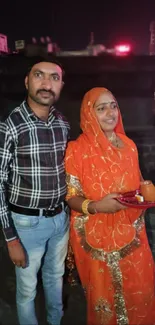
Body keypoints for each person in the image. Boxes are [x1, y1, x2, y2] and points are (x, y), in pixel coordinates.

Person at [65, 87, 155, 325]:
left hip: (131, 231)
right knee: (104, 302)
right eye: (101, 107)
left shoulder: (129, 145)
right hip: (94, 231)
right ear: (88, 113)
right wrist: (97, 206)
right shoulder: (77, 149)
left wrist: (146, 189)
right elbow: (71, 197)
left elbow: (137, 186)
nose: (110, 112)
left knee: (141, 291)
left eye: (113, 106)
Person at [0, 56, 70, 325]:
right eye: (39, 75)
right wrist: (10, 239)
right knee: (27, 290)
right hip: (27, 224)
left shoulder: (62, 123)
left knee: (55, 279)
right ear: (27, 81)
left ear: (61, 85)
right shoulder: (10, 124)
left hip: (60, 219)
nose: (47, 83)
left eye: (54, 78)